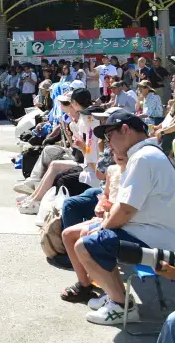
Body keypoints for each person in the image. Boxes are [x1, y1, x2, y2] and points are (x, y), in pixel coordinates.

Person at [65, 111, 175, 325]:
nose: (108, 144)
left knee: (86, 245)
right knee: (93, 237)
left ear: (125, 129)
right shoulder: (147, 154)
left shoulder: (143, 157)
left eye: (108, 136)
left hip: (160, 243)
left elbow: (125, 209)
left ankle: (121, 305)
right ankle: (116, 295)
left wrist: (101, 227)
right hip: (153, 234)